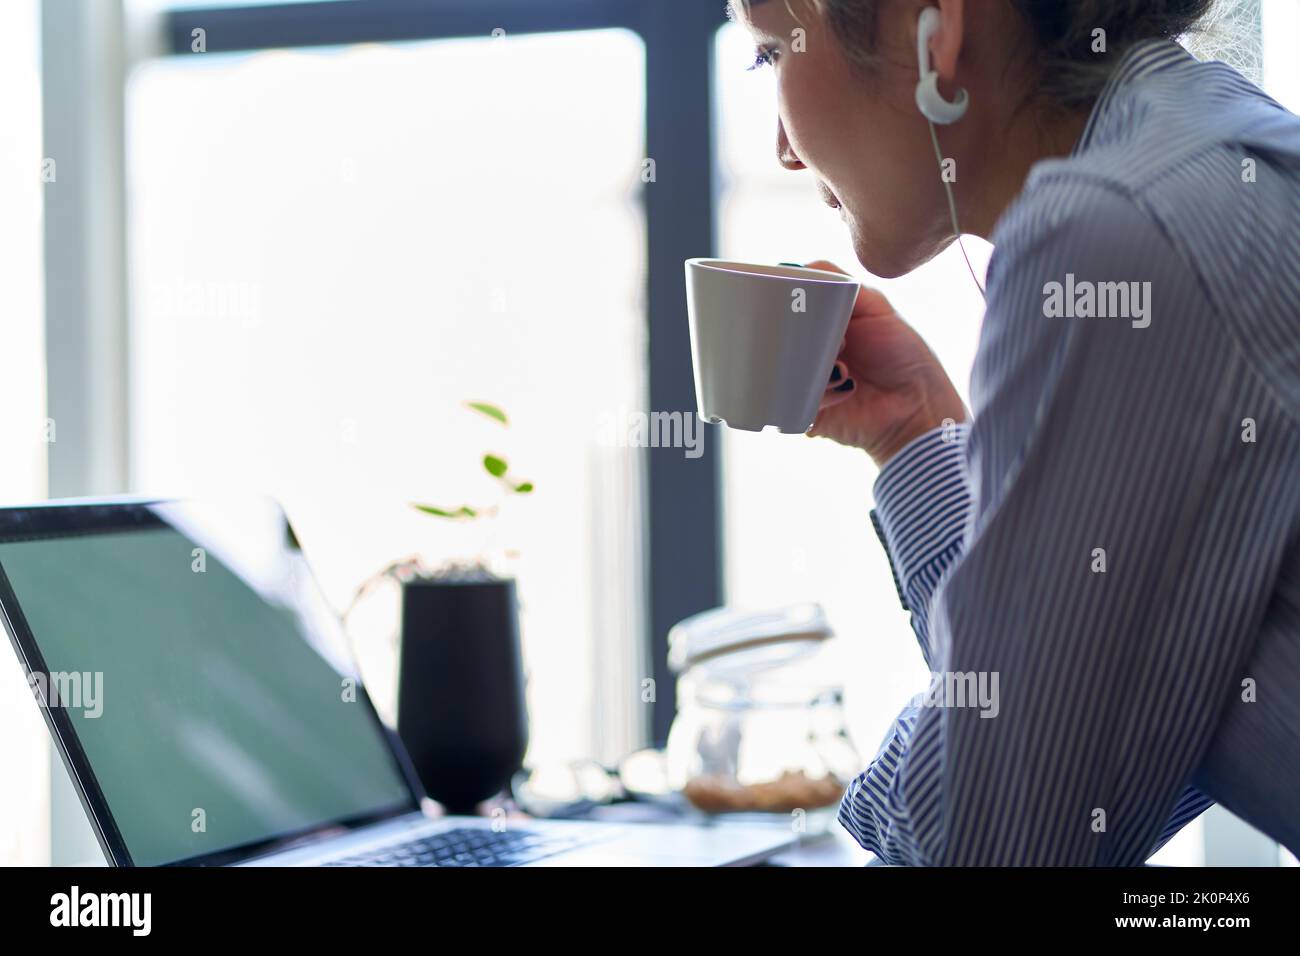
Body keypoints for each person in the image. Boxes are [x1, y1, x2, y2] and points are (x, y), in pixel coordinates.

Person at [730, 0, 1300, 864]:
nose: (780, 144)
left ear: (934, 27)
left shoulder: (1118, 232)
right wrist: (917, 433)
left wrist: (856, 796)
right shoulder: (1215, 158)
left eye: (771, 53)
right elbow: (1096, 741)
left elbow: (986, 835)